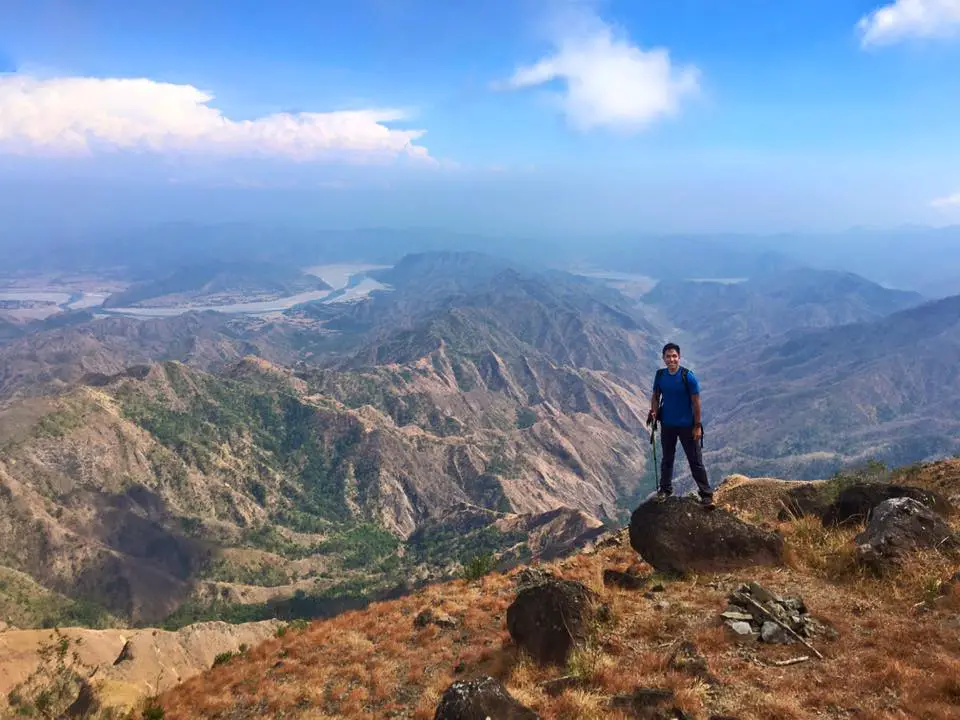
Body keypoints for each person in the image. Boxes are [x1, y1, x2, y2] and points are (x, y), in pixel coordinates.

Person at [646, 342, 714, 508]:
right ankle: (665, 490)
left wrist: (697, 425)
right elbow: (655, 396)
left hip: (687, 425)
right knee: (667, 459)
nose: (671, 359)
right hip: (668, 424)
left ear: (679, 357)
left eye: (674, 356)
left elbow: (696, 403)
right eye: (668, 356)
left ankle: (706, 494)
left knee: (695, 460)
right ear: (663, 358)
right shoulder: (660, 375)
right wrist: (654, 411)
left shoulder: (687, 376)